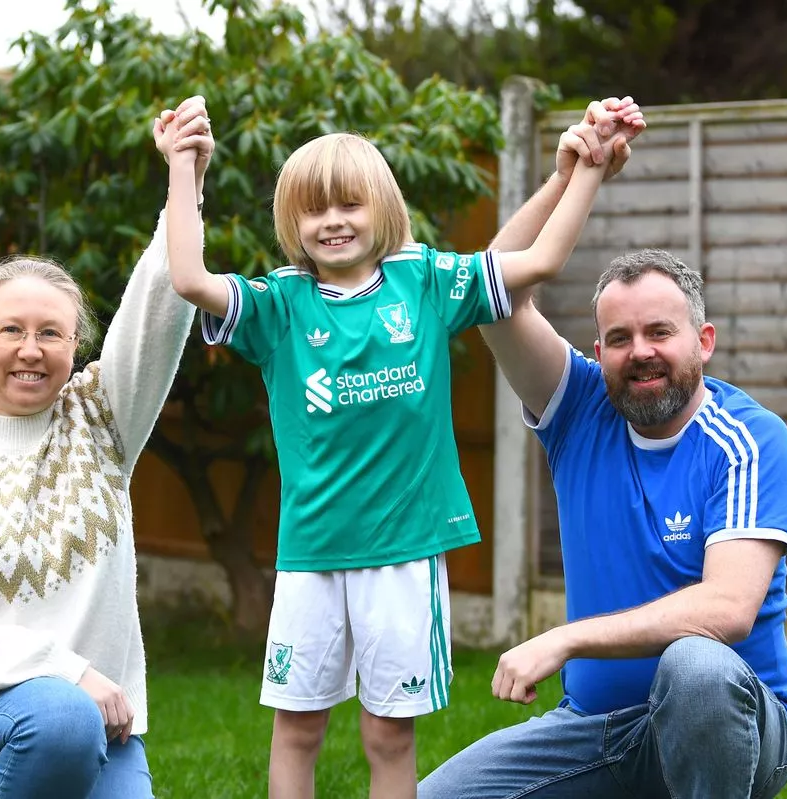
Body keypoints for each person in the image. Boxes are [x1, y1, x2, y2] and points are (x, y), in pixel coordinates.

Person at [160, 94, 641, 798]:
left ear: (381, 208)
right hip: (310, 556)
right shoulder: (279, 304)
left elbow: (538, 261)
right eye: (313, 210)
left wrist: (585, 170)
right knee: (296, 731)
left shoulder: (427, 281)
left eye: (349, 204)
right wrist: (184, 167)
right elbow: (188, 279)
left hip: (405, 555)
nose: (332, 220)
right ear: (291, 223)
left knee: (388, 736)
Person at [418, 102, 787, 799]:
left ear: (703, 342)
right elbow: (489, 294)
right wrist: (570, 178)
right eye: (620, 339)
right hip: (593, 727)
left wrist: (566, 638)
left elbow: (726, 609)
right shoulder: (581, 409)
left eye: (660, 332)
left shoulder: (748, 438)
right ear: (598, 352)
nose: (640, 352)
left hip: (738, 728)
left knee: (696, 667)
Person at [0, 100, 214, 799]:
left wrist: (184, 175)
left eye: (51, 333)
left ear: (76, 345)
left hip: (103, 721)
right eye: (11, 330)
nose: (30, 350)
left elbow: (160, 304)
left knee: (72, 724)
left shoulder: (100, 420)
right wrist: (69, 673)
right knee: (60, 719)